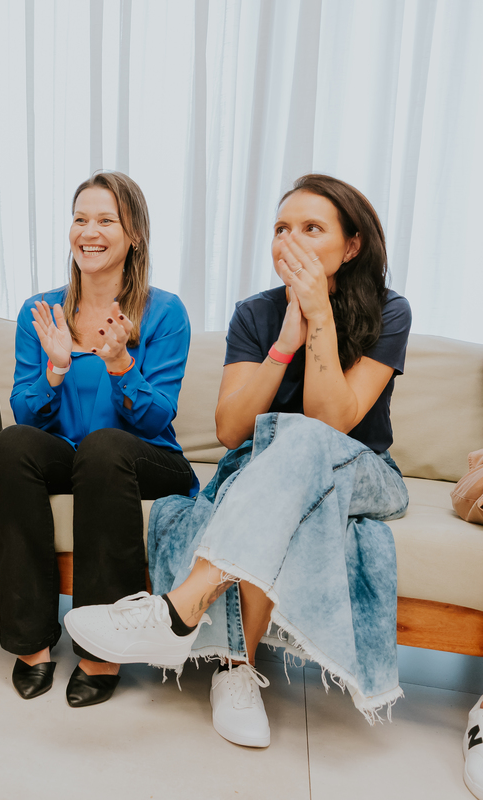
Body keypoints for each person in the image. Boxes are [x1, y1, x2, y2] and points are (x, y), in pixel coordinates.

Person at [64, 174, 411, 748]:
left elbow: (332, 424)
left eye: (312, 229)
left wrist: (320, 318)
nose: (290, 241)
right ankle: (237, 672)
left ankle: (183, 610)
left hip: (361, 470)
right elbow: (230, 431)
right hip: (262, 473)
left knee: (299, 435)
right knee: (267, 471)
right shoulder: (255, 314)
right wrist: (284, 345)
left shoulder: (389, 310)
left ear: (352, 246)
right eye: (281, 229)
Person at [0, 173, 194, 706]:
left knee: (103, 446)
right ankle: (31, 642)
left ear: (134, 235)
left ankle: (102, 650)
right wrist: (55, 368)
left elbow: (157, 418)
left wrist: (121, 365)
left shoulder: (165, 312)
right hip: (73, 456)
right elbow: (25, 412)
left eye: (106, 220)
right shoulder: (42, 311)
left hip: (147, 457)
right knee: (11, 446)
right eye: (80, 219)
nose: (89, 232)